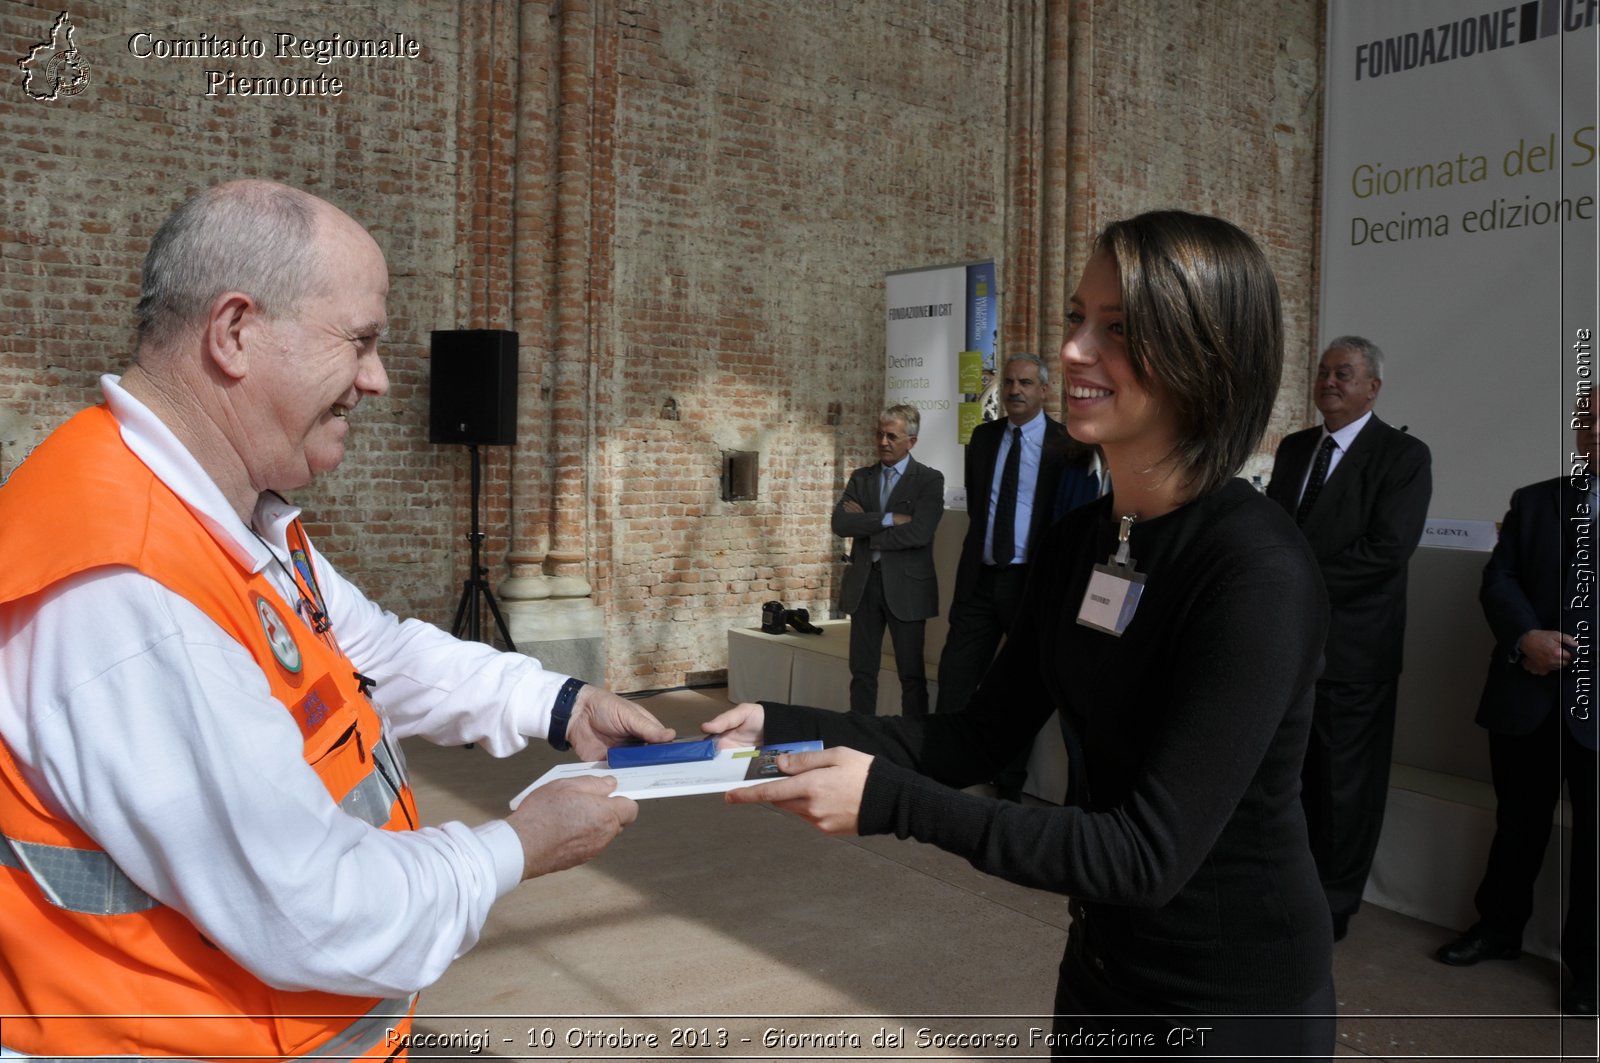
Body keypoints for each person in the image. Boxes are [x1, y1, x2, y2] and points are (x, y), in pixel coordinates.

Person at [0, 180, 674, 1060]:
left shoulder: (223, 514)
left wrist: (564, 705)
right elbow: (313, 911)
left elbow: (374, 650)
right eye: (359, 341)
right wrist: (516, 847)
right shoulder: (130, 592)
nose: (379, 380)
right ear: (234, 332)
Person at [709, 211, 1335, 1059]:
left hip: (1229, 1000)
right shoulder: (1085, 540)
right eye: (1079, 317)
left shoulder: (1257, 569)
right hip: (1105, 969)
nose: (1074, 350)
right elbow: (977, 734)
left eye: (1116, 329)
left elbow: (1146, 852)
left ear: (1204, 355)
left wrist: (890, 801)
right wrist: (779, 726)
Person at [1265, 336, 1432, 941]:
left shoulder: (1404, 455)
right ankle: (1285, 885)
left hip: (1356, 654)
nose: (1330, 381)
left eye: (1345, 373)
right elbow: (1277, 531)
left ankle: (1332, 907)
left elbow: (1385, 552)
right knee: (1290, 775)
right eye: (1324, 371)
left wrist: (1292, 584)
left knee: (1345, 790)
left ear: (1373, 388)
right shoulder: (1294, 448)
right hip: (1290, 645)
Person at [1434, 406, 1598, 1017]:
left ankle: (1592, 971)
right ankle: (1498, 930)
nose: (1596, 430)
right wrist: (1527, 638)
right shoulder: (1535, 501)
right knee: (1517, 825)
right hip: (1526, 694)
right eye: (1589, 421)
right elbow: (1497, 581)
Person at [935, 354, 1100, 797]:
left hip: (1030, 583)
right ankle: (943, 770)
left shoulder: (1065, 445)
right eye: (1008, 382)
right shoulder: (984, 438)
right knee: (955, 678)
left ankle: (1008, 782)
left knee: (1020, 687)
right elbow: (978, 508)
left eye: (1025, 383)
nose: (1014, 390)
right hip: (981, 580)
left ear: (1044, 390)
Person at [833, 404, 944, 715]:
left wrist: (867, 530)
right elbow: (840, 524)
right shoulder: (861, 477)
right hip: (864, 584)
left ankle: (912, 740)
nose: (883, 442)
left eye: (891, 436)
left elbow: (921, 532)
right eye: (879, 435)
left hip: (907, 587)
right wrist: (888, 519)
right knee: (862, 672)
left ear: (912, 441)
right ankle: (861, 735)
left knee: (911, 675)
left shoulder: (929, 480)